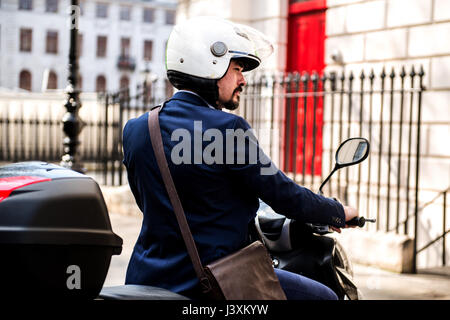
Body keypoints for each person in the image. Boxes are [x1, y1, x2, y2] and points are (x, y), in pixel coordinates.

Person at [122, 16, 359, 300]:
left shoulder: (137, 129)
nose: (243, 80)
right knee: (325, 298)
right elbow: (284, 194)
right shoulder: (227, 129)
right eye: (236, 69)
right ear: (209, 65)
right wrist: (337, 211)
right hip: (213, 281)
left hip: (146, 278)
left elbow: (151, 201)